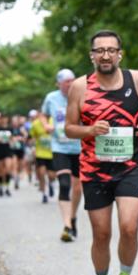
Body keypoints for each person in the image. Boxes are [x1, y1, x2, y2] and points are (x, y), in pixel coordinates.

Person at [66, 30, 138, 275]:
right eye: (99, 50)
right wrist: (90, 130)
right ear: (91, 55)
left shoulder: (137, 79)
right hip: (94, 170)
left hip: (130, 166)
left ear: (120, 54)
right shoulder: (80, 87)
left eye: (111, 50)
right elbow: (69, 128)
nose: (105, 55)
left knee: (129, 228)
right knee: (101, 234)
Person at [44, 69, 84, 242]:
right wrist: (46, 125)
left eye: (72, 80)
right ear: (59, 83)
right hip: (59, 147)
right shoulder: (51, 98)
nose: (70, 84)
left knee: (78, 188)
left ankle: (73, 217)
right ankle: (67, 226)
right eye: (66, 81)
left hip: (79, 147)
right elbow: (43, 115)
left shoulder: (83, 95)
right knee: (64, 184)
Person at [30, 109, 56, 203]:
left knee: (52, 175)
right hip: (40, 152)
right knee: (41, 173)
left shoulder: (54, 120)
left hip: (52, 152)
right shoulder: (35, 124)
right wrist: (32, 148)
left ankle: (51, 184)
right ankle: (44, 194)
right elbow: (32, 137)